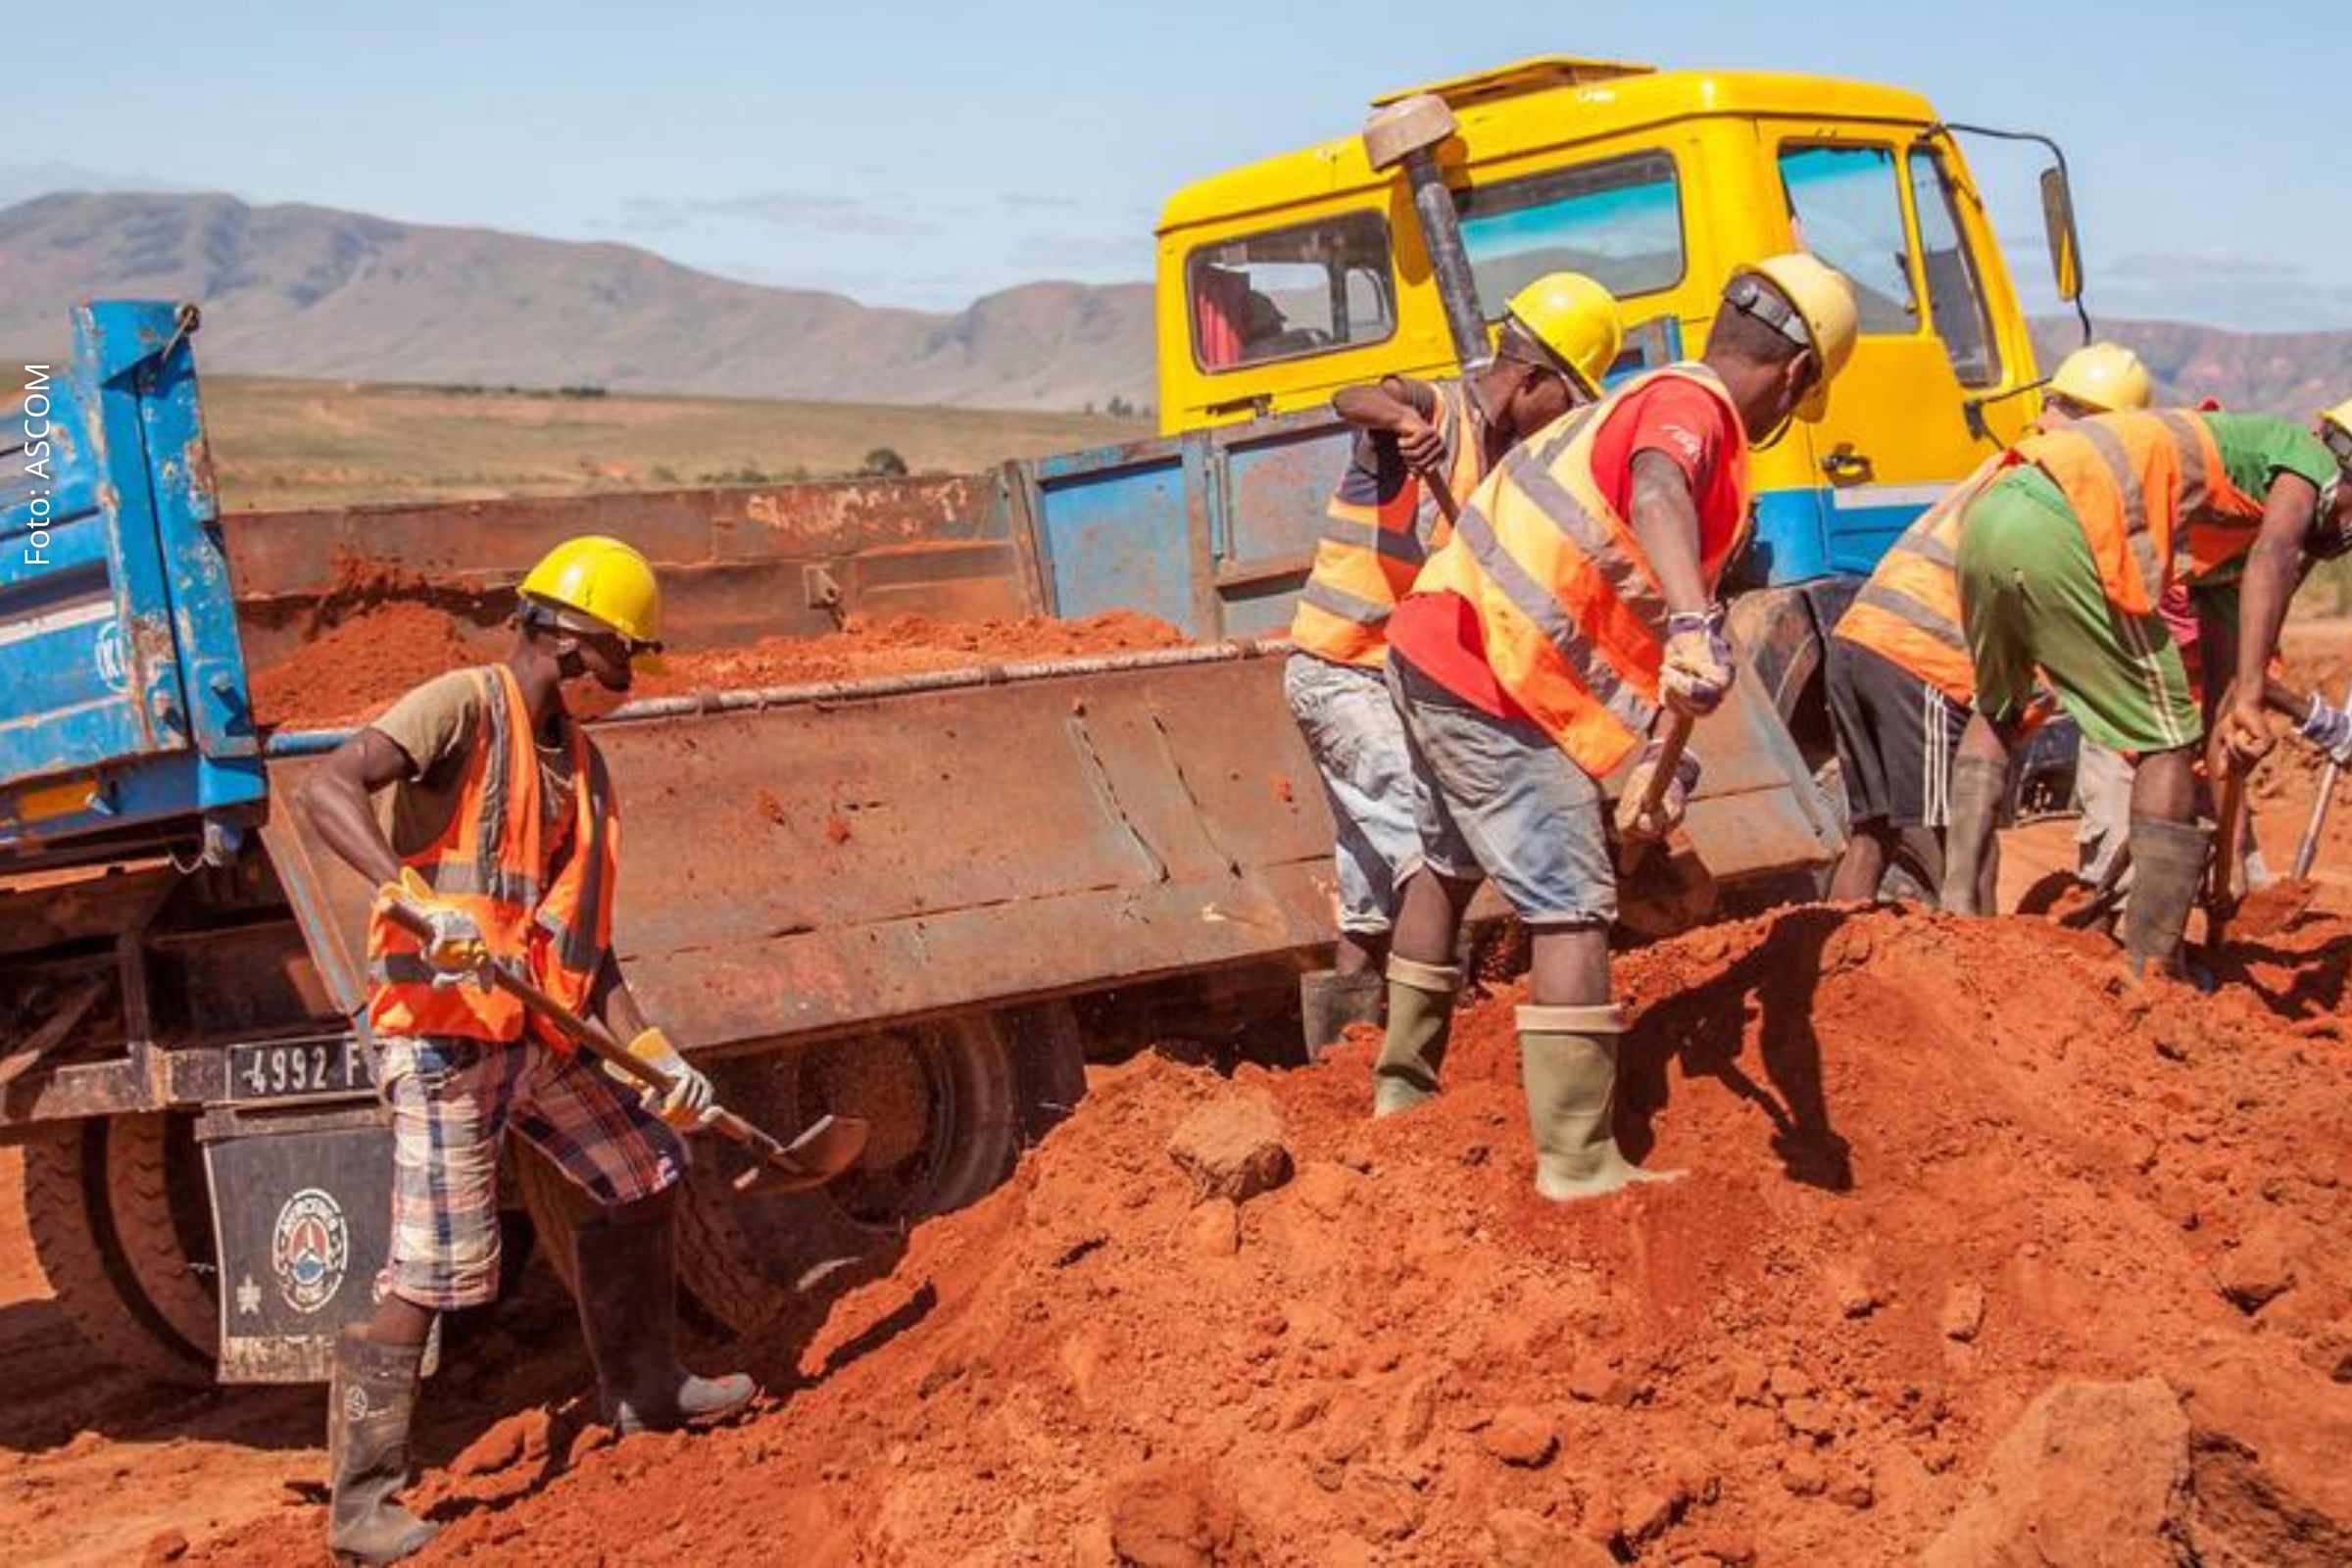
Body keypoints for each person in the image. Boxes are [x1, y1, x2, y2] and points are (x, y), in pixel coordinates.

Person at [294, 536, 751, 1565]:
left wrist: (654, 1054)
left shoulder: (584, 771)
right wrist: (408, 897)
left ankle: (644, 1386)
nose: (626, 692)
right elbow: (326, 790)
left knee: (645, 1168)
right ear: (575, 641)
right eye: (622, 668)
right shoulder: (462, 703)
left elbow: (589, 943)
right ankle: (362, 1505)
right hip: (446, 1036)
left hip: (536, 1030)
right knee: (434, 1266)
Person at [1367, 254, 1859, 1201]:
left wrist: (1654, 770)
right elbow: (1658, 488)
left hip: (1441, 640)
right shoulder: (1693, 410)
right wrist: (1690, 616)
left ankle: (1402, 1092)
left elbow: (1602, 618)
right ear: (1798, 378)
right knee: (1573, 901)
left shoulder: (1621, 402)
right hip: (1487, 668)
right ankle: (1579, 1163)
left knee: (1447, 861)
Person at [1289, 273, 1625, 1052]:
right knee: (1427, 854)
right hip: (1347, 671)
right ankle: (1444, 1049)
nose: (1570, 417)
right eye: (1570, 397)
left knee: (1372, 889)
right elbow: (1355, 396)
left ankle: (1344, 1059)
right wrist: (1403, 418)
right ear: (1536, 377)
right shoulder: (1449, 412)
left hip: (1408, 682)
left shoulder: (1516, 465)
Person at [1940, 404, 2352, 976]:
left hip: (1993, 515)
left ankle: (1959, 919)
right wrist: (2255, 702)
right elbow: (2276, 555)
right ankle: (2152, 968)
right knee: (2166, 742)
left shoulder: (2227, 547)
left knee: (2001, 710)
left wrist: (2226, 861)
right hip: (2072, 524)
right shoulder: (2306, 462)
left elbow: (2222, 707)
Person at [1825, 342, 2152, 905]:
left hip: (1859, 640)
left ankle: (1836, 965)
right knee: (1967, 838)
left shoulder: (2016, 460)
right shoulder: (2060, 482)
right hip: (1923, 660)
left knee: (1874, 833)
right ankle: (1984, 978)